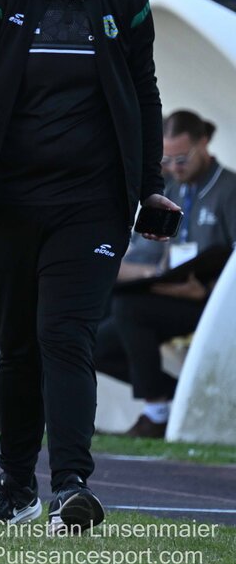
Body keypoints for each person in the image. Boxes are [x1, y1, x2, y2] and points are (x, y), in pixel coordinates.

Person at [0, 0, 173, 533]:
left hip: (93, 204)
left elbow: (144, 95)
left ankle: (73, 486)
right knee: (18, 345)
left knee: (65, 333)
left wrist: (151, 188)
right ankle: (17, 485)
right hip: (7, 199)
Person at [95, 110, 236, 437]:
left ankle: (156, 412)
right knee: (91, 342)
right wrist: (154, 274)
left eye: (182, 159)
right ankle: (180, 395)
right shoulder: (170, 190)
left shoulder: (229, 189)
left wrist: (207, 290)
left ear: (204, 143)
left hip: (211, 303)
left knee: (129, 309)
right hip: (172, 295)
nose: (174, 167)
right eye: (166, 160)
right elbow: (138, 256)